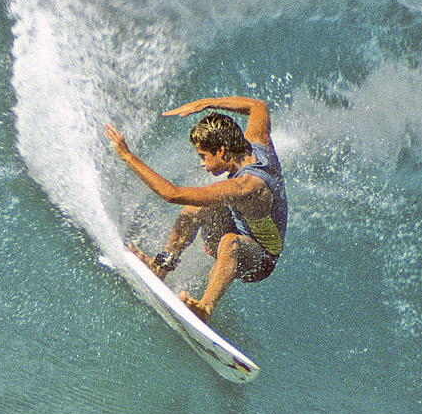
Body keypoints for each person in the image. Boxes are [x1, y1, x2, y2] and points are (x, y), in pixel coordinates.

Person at [103, 97, 287, 323]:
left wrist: (127, 156)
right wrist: (209, 103)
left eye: (203, 156)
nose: (201, 163)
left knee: (231, 243)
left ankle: (205, 307)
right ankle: (162, 266)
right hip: (237, 229)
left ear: (221, 151)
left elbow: (172, 194)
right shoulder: (255, 142)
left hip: (260, 260)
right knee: (195, 208)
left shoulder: (246, 186)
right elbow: (257, 106)